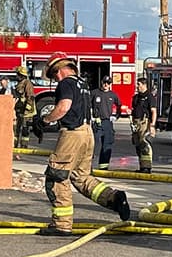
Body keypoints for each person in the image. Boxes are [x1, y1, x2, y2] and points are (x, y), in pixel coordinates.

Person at [36, 53, 132, 234]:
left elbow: (63, 107)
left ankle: (62, 225)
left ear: (63, 68)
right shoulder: (83, 84)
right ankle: (114, 198)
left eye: (55, 73)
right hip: (87, 133)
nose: (55, 78)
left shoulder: (66, 83)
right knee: (81, 177)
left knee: (56, 177)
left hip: (72, 134)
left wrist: (45, 120)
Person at [91, 75, 122, 169]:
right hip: (97, 122)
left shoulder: (113, 95)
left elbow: (119, 106)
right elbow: (87, 105)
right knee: (93, 145)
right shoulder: (95, 93)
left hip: (107, 122)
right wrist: (90, 117)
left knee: (107, 145)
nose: (106, 84)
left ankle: (104, 166)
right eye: (104, 82)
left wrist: (116, 116)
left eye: (108, 83)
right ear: (101, 82)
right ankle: (87, 166)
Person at [130, 76, 157, 173]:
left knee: (145, 145)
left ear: (144, 85)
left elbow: (153, 111)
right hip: (136, 123)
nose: (137, 86)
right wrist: (132, 123)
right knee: (138, 145)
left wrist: (152, 125)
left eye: (139, 84)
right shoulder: (136, 98)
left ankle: (147, 167)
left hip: (145, 122)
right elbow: (133, 111)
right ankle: (142, 166)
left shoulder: (150, 97)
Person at [13, 65, 36, 147]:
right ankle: (15, 145)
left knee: (25, 129)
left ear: (21, 75)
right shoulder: (19, 84)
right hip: (20, 110)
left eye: (17, 74)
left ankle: (24, 145)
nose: (16, 76)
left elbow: (30, 97)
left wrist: (27, 110)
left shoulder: (27, 83)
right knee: (17, 129)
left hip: (26, 111)